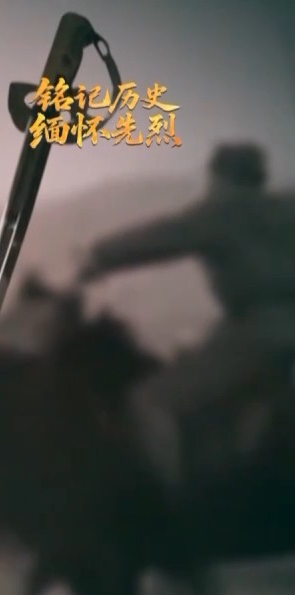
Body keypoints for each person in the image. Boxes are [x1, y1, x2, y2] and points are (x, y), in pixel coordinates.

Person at [78, 142, 295, 491]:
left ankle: (163, 510)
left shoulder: (225, 210)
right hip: (269, 334)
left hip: (261, 330)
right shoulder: (286, 206)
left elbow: (162, 236)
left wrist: (95, 257)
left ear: (219, 178)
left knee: (151, 403)